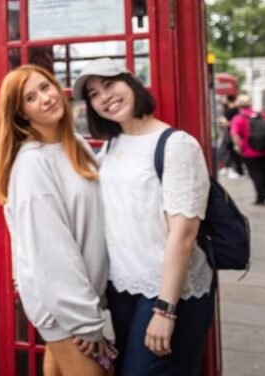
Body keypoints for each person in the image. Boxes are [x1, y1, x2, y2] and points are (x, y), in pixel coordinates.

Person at [74, 57, 213, 376]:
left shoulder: (176, 145)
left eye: (109, 84)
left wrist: (166, 310)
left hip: (169, 293)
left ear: (131, 83)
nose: (104, 97)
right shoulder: (111, 147)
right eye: (94, 94)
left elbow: (184, 235)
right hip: (124, 290)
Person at [0, 65, 109, 376]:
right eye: (31, 97)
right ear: (21, 114)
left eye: (45, 87)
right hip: (62, 306)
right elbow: (53, 253)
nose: (44, 98)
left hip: (78, 297)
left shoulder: (75, 144)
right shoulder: (33, 164)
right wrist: (85, 322)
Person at [229, 94, 265, 205]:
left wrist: (238, 148)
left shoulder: (238, 118)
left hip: (250, 151)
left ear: (239, 106)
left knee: (256, 174)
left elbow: (235, 135)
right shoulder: (261, 115)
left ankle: (261, 197)